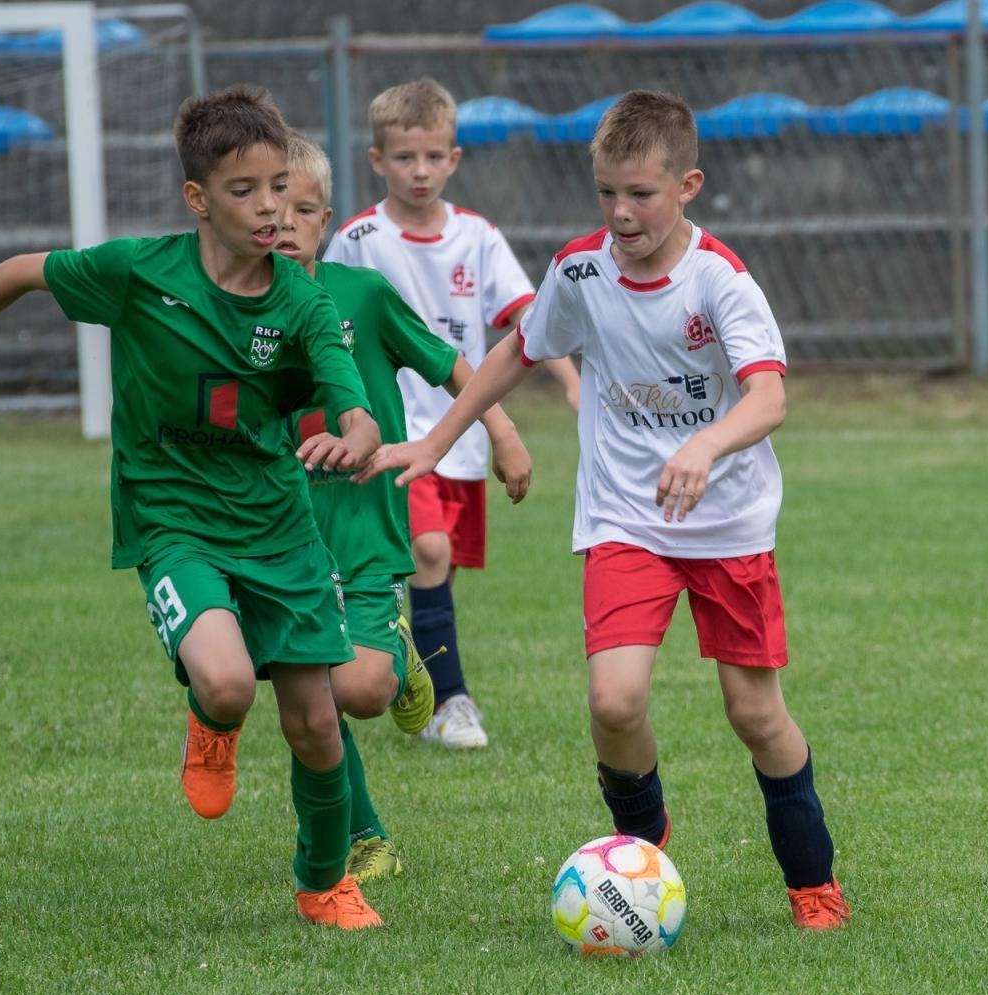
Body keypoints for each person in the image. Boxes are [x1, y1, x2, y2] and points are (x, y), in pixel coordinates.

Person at [357, 90, 850, 930]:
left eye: (641, 195)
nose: (621, 213)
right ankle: (640, 863)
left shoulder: (719, 280)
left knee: (754, 713)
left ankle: (814, 886)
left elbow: (768, 398)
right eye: (607, 193)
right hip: (626, 519)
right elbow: (518, 349)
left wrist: (704, 445)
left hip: (728, 525)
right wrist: (437, 442)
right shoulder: (580, 269)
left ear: (687, 185)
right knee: (614, 704)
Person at [0, 86, 389, 931]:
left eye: (280, 187)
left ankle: (325, 885)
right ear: (198, 198)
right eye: (245, 190)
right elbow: (18, 273)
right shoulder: (138, 273)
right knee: (228, 684)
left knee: (317, 723)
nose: (271, 208)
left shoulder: (304, 303)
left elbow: (353, 403)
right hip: (173, 522)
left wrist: (358, 433)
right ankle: (212, 721)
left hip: (279, 528)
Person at [276, 132, 533, 880]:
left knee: (359, 691)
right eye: (268, 209)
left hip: (362, 524)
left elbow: (451, 365)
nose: (284, 224)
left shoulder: (361, 295)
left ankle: (396, 641)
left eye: (302, 210)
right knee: (309, 695)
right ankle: (363, 838)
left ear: (326, 221)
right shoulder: (226, 312)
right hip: (280, 533)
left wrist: (503, 431)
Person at [323, 77, 579, 751]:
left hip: (461, 437)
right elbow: (321, 318)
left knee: (438, 573)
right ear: (377, 161)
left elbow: (529, 320)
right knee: (429, 549)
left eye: (433, 157)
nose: (420, 170)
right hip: (394, 435)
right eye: (405, 157)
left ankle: (408, 669)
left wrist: (571, 384)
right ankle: (450, 702)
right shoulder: (358, 239)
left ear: (454, 159)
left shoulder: (477, 238)